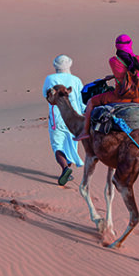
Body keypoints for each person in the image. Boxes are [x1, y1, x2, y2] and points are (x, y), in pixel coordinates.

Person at [76, 33, 139, 140]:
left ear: (117, 46)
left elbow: (121, 74)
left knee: (91, 102)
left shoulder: (113, 61)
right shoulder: (138, 59)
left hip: (120, 96)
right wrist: (113, 76)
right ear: (130, 44)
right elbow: (131, 74)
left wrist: (112, 77)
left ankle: (85, 131)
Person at [42, 54, 84, 186]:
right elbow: (82, 99)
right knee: (71, 146)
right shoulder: (76, 80)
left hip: (57, 118)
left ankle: (65, 168)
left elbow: (46, 95)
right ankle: (67, 169)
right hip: (74, 119)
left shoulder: (49, 79)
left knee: (58, 146)